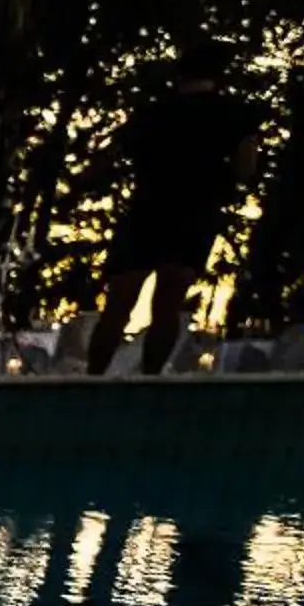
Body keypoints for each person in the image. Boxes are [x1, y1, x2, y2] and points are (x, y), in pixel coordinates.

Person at [89, 62, 262, 376]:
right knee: (168, 304)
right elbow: (245, 166)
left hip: (147, 208)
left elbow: (109, 155)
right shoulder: (234, 114)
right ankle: (151, 377)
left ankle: (94, 376)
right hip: (194, 212)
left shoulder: (154, 112)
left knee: (119, 303)